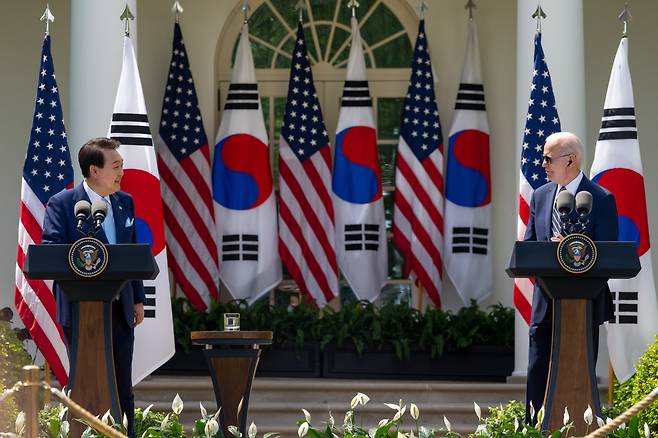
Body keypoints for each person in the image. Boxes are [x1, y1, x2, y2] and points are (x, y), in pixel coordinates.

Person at [42, 137, 144, 437]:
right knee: (85, 380)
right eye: (116, 166)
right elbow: (51, 250)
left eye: (121, 165)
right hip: (80, 308)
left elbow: (132, 253)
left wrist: (138, 299)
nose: (121, 172)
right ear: (94, 170)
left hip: (121, 307)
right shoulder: (62, 204)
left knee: (122, 381)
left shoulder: (125, 203)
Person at [523, 132, 618, 424]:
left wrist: (572, 248)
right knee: (538, 372)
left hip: (583, 306)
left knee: (579, 374)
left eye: (549, 158)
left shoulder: (601, 199)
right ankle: (533, 429)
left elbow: (608, 253)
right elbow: (528, 248)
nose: (543, 164)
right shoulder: (540, 196)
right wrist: (549, 252)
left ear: (571, 160)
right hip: (545, 305)